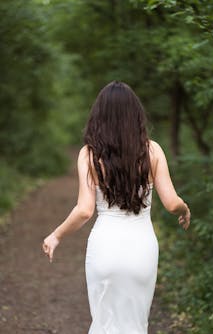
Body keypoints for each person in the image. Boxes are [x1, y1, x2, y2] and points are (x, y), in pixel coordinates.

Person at [42, 80, 191, 334]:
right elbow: (171, 202)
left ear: (99, 116)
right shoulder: (152, 151)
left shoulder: (89, 154)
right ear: (136, 115)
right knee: (136, 323)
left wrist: (56, 235)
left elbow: (84, 210)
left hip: (105, 247)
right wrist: (184, 209)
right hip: (141, 249)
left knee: (103, 323)